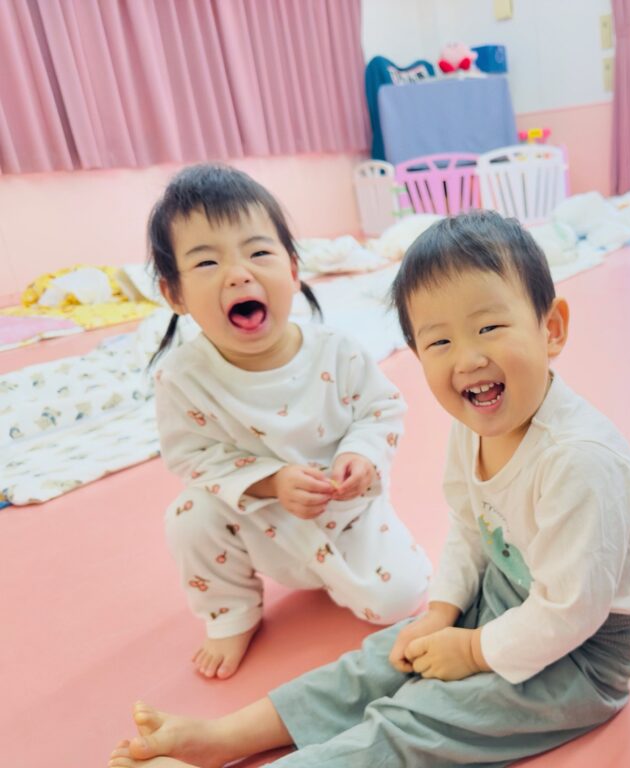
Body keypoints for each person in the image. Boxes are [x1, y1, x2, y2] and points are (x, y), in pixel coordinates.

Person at [108, 210, 630, 767]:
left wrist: (472, 649)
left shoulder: (579, 461)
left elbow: (571, 612)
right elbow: (471, 530)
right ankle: (227, 737)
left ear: (551, 329)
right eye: (439, 341)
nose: (468, 359)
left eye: (489, 328)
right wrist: (441, 613)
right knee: (380, 661)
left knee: (423, 719)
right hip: (505, 595)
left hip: (583, 658)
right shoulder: (477, 423)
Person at [146, 164, 431, 680]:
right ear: (175, 294)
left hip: (346, 516)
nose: (239, 274)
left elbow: (381, 409)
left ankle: (346, 575)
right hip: (260, 521)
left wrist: (361, 454)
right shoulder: (182, 378)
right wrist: (271, 481)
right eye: (207, 261)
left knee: (402, 598)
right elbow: (191, 456)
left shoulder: (338, 352)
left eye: (258, 253)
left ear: (294, 271)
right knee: (189, 516)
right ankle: (232, 614)